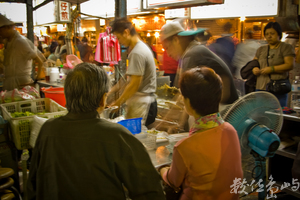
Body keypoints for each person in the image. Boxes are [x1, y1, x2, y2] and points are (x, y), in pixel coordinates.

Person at [27, 63, 165, 200]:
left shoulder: (48, 129)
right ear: (102, 100)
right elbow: (150, 191)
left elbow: (33, 185)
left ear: (67, 96)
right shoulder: (116, 135)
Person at [158, 67, 243, 200]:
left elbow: (172, 180)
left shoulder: (184, 147)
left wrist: (162, 169)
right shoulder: (231, 130)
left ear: (188, 103)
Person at [159, 20, 238, 132]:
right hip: (216, 112)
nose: (168, 54)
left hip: (222, 112)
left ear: (176, 40)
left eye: (167, 48)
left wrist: (178, 126)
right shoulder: (192, 51)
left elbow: (184, 96)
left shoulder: (192, 54)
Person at [108, 18, 157, 126]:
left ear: (126, 32)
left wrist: (117, 104)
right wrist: (110, 92)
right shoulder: (137, 49)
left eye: (118, 37)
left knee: (137, 137)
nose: (119, 42)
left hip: (142, 103)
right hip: (139, 102)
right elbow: (127, 78)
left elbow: (134, 85)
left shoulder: (137, 52)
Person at [253, 22, 295, 107]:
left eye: (272, 33)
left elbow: (290, 64)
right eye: (267, 34)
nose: (269, 36)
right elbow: (254, 62)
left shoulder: (286, 47)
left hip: (278, 88)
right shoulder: (261, 49)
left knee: (277, 114)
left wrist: (272, 69)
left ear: (279, 34)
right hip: (261, 87)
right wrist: (255, 68)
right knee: (261, 113)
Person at [0, 15, 44, 90]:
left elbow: (40, 61)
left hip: (22, 84)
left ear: (7, 28)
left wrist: (36, 80)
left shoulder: (20, 41)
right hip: (11, 84)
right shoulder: (8, 42)